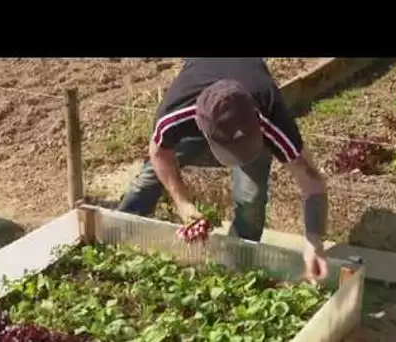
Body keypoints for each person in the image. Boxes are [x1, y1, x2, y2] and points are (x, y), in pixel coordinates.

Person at [117, 58, 329, 281]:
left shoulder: (269, 112)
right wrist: (183, 204)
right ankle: (119, 233)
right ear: (201, 128)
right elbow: (159, 153)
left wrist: (314, 241)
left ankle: (235, 268)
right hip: (199, 102)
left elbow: (312, 182)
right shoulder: (175, 113)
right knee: (150, 178)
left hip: (249, 84)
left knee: (251, 198)